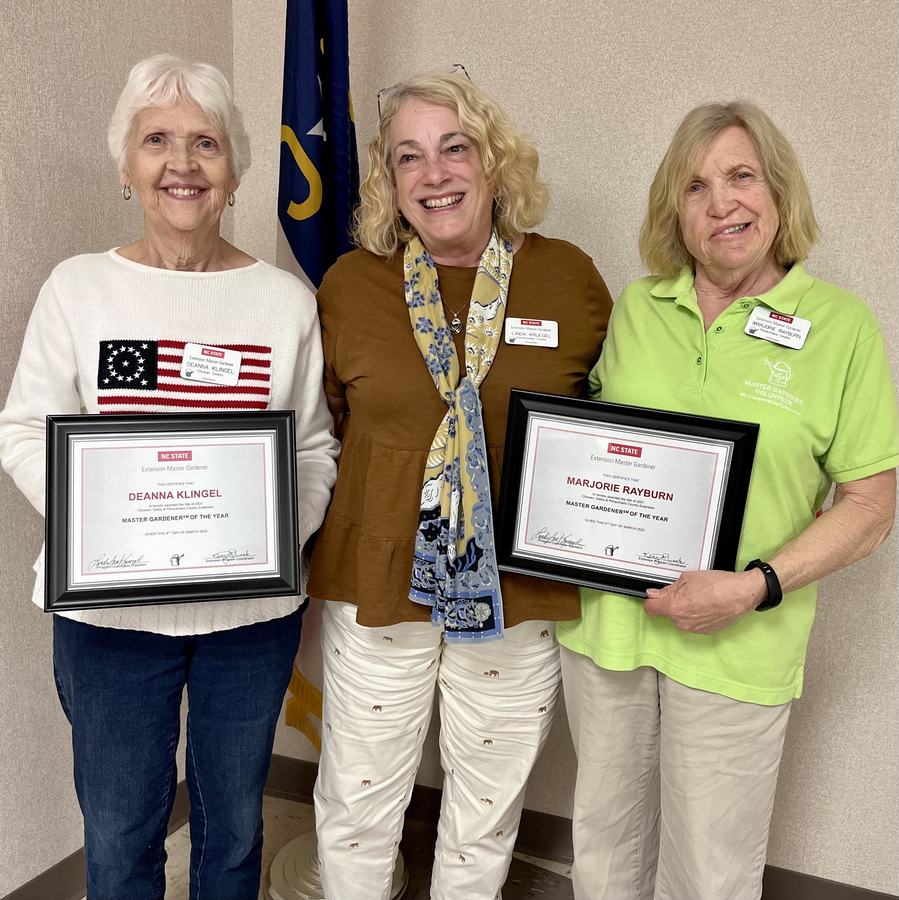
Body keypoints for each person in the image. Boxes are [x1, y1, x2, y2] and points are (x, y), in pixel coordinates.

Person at [0, 55, 338, 899]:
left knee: (232, 828)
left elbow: (312, 450)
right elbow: (23, 430)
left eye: (205, 143)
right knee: (120, 836)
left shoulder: (285, 304)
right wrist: (107, 530)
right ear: (126, 165)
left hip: (249, 616)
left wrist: (260, 535)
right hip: (109, 617)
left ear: (234, 170)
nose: (181, 164)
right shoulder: (77, 289)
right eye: (157, 140)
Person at [557, 100, 898, 900]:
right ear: (673, 212)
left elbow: (871, 503)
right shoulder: (639, 308)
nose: (722, 204)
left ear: (777, 190)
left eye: (740, 176)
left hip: (738, 642)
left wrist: (751, 586)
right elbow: (595, 449)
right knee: (602, 849)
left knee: (709, 872)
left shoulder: (839, 328)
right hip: (609, 628)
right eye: (695, 186)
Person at [306, 69, 612, 900]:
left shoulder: (569, 279)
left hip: (515, 590)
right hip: (377, 581)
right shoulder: (348, 285)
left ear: (492, 161)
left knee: (484, 810)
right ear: (389, 182)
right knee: (358, 802)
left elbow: (604, 432)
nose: (433, 173)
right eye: (409, 157)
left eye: (454, 148)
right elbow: (321, 435)